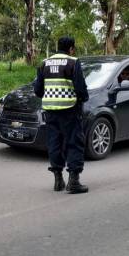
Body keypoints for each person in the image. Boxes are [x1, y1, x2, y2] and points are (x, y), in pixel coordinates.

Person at [33, 37, 89, 194]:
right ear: (71, 48)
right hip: (70, 109)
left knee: (54, 143)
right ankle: (74, 181)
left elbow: (37, 90)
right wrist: (83, 98)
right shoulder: (73, 62)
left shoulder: (44, 63)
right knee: (74, 142)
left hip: (50, 110)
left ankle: (58, 180)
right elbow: (80, 88)